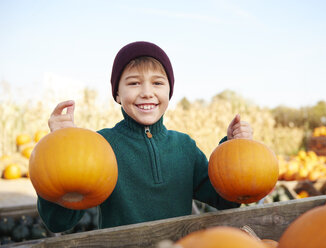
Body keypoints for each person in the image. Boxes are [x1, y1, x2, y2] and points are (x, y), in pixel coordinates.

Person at [38, 41, 253, 233]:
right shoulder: (100, 147)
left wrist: (235, 149)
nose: (147, 92)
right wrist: (62, 147)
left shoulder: (185, 147)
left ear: (169, 91)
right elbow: (58, 222)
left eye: (158, 83)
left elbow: (226, 199)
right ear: (117, 94)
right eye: (134, 83)